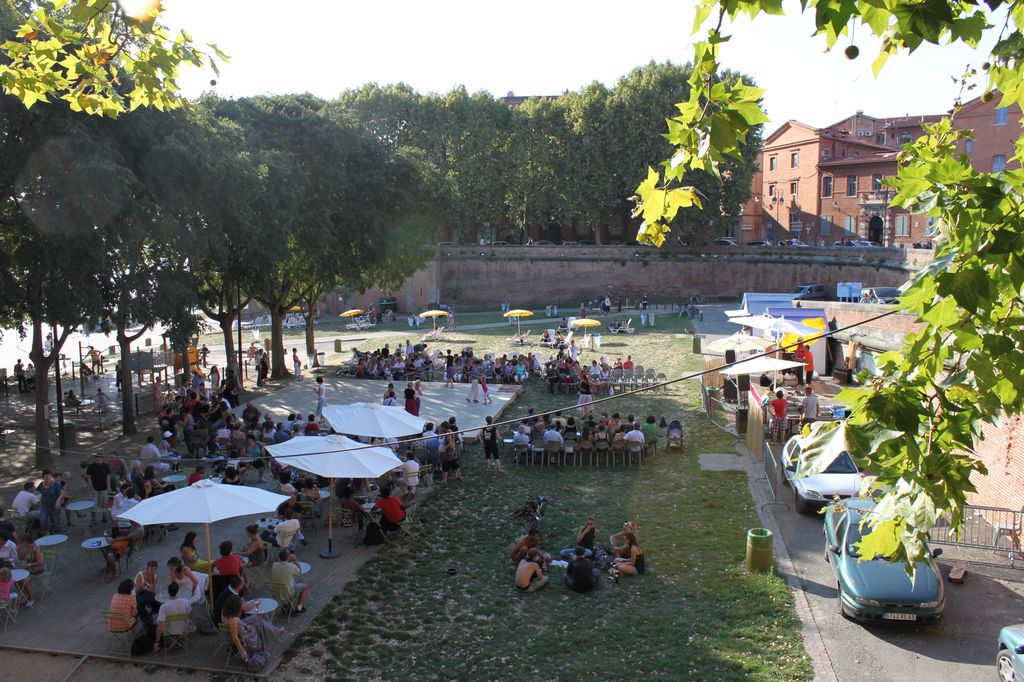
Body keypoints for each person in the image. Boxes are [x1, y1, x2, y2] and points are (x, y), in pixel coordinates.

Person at [222, 593, 283, 666]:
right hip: (243, 635)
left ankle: (274, 631)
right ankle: (273, 632)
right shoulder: (232, 619)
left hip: (241, 627)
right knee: (258, 626)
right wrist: (242, 651)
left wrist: (245, 626)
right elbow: (235, 637)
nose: (241, 606)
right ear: (235, 607)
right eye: (240, 605)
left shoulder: (226, 611)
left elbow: (238, 621)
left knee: (256, 618)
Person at [152, 582, 193, 651]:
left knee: (156, 621)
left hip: (170, 631)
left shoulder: (164, 606)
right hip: (184, 629)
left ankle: (166, 642)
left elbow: (160, 627)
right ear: (178, 591)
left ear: (168, 592)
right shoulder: (186, 601)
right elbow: (190, 616)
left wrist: (157, 642)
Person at [270, 548, 309, 614]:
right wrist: (295, 561)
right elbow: (299, 571)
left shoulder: (274, 565)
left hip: (276, 591)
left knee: (288, 582)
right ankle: (299, 608)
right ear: (289, 557)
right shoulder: (291, 566)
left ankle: (285, 604)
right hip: (288, 592)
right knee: (306, 586)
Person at [85, 453, 112, 526]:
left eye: (100, 459)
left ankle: (104, 517)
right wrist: (92, 489)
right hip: (95, 489)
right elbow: (89, 478)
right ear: (95, 459)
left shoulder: (105, 466)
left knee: (104, 504)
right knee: (94, 505)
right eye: (97, 459)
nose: (99, 461)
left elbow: (108, 476)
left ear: (102, 459)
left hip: (104, 488)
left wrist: (108, 486)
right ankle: (93, 519)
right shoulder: (91, 467)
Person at [36, 469, 64, 534]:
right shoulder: (41, 484)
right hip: (44, 505)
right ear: (43, 477)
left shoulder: (56, 484)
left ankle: (56, 533)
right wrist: (38, 499)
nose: (48, 477)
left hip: (54, 505)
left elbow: (62, 493)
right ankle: (46, 532)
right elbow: (38, 492)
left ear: (51, 476)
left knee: (56, 522)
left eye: (49, 476)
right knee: (43, 519)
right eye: (46, 476)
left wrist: (58, 501)